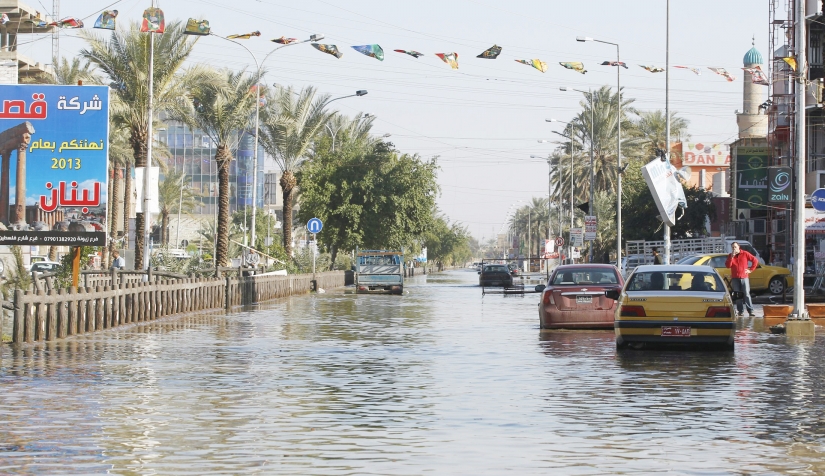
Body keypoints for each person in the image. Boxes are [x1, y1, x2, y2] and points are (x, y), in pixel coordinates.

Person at [725, 241, 757, 317]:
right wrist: (732, 257)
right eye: (732, 247)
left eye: (735, 247)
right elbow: (728, 266)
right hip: (735, 277)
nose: (734, 248)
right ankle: (740, 311)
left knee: (746, 294)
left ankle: (750, 310)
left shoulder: (745, 253)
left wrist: (750, 270)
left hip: (744, 277)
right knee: (738, 295)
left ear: (739, 247)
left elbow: (755, 260)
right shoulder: (730, 255)